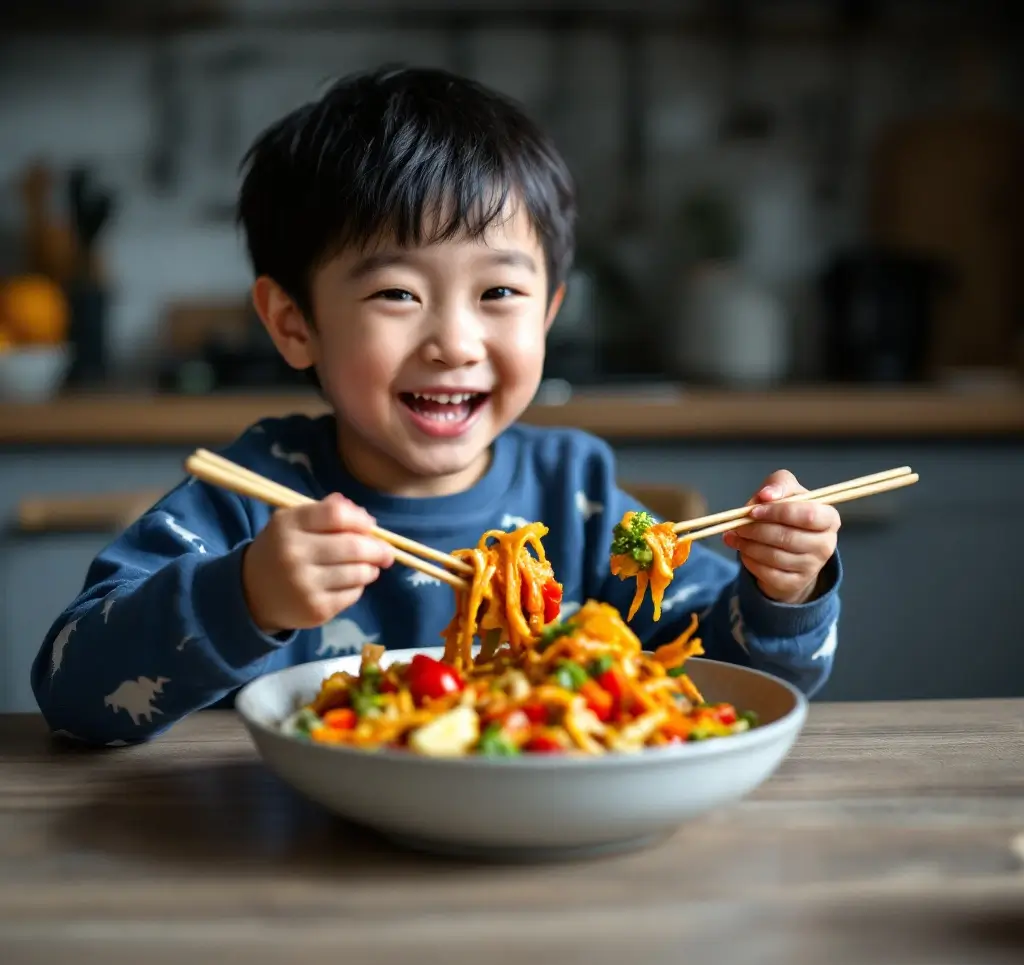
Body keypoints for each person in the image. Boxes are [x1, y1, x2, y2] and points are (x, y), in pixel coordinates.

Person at [31, 66, 842, 747]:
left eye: (498, 291)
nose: (454, 342)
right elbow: (70, 691)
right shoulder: (250, 498)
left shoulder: (579, 496)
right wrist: (244, 597)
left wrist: (785, 592)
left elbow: (745, 693)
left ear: (548, 313)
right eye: (396, 293)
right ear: (292, 322)